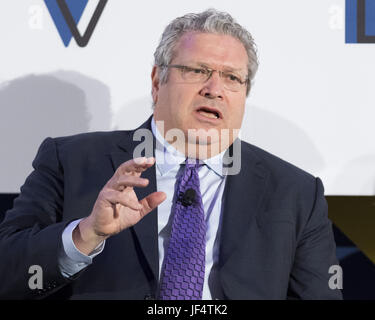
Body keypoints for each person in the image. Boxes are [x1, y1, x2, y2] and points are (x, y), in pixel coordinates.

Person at [0, 9, 342, 300]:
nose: (215, 89)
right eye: (197, 71)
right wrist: (87, 234)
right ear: (156, 80)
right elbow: (7, 274)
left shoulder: (295, 192)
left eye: (232, 77)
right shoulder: (70, 160)